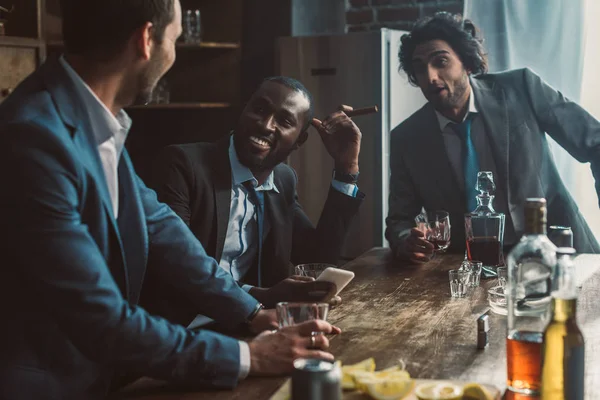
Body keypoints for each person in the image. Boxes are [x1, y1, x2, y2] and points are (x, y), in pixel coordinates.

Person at [0, 1, 340, 398]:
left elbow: (163, 230)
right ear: (146, 40)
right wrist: (249, 357)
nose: (174, 56)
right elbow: (101, 317)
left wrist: (252, 313)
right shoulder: (35, 138)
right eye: (175, 39)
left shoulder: (89, 116)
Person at [144, 76, 364, 326]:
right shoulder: (183, 166)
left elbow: (317, 256)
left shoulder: (283, 180)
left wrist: (346, 169)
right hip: (184, 329)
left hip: (255, 325)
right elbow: (177, 268)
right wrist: (262, 297)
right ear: (244, 110)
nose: (266, 125)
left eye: (284, 121)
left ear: (299, 141)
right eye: (259, 110)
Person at [386, 12, 600, 264]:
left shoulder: (521, 87)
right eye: (420, 68)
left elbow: (595, 142)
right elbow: (399, 221)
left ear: (466, 62)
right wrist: (407, 242)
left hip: (558, 252)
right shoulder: (407, 138)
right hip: (470, 267)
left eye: (440, 61)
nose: (431, 76)